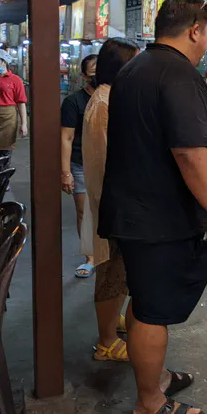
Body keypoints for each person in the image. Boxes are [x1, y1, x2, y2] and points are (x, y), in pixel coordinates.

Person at [100, 0, 207, 414]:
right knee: (154, 310)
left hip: (137, 212)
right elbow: (190, 152)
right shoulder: (179, 75)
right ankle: (149, 404)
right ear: (195, 29)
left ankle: (154, 381)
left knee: (144, 299)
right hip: (160, 218)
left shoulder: (135, 68)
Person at [82, 39, 139, 362]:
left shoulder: (106, 97)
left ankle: (111, 321)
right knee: (110, 272)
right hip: (112, 203)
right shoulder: (105, 104)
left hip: (110, 200)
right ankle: (106, 342)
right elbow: (109, 160)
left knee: (117, 272)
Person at [61, 54, 98, 278]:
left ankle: (108, 254)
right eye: (94, 70)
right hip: (80, 164)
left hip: (109, 165)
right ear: (84, 76)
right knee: (85, 213)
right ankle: (90, 258)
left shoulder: (116, 97)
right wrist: (65, 173)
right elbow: (65, 138)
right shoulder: (73, 102)